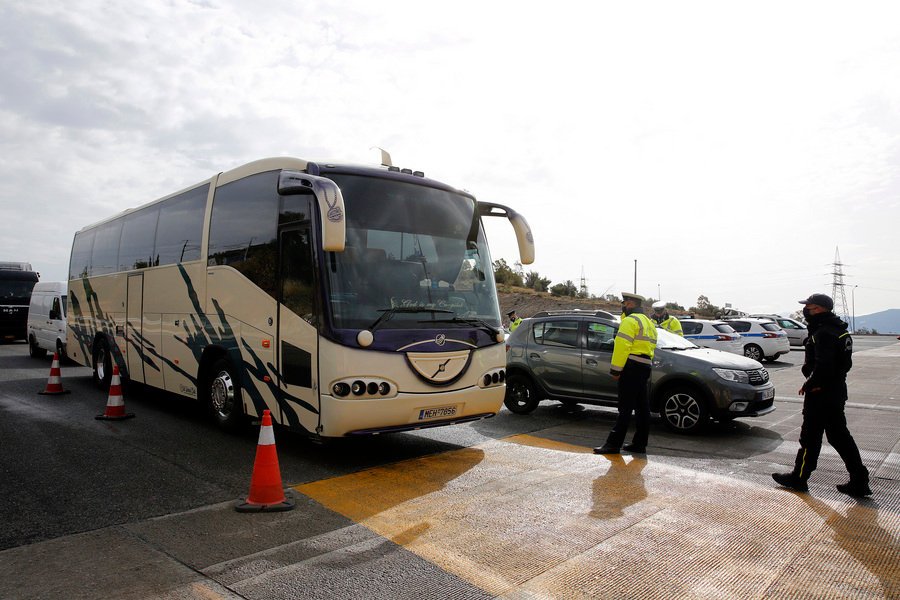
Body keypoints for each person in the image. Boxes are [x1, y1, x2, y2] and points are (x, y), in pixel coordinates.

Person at [772, 293, 871, 497]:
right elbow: (844, 365)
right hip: (836, 391)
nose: (805, 310)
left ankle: (799, 478)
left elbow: (824, 365)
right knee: (839, 437)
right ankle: (859, 480)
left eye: (809, 307)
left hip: (822, 394)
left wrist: (811, 384)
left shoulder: (823, 332)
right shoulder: (839, 331)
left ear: (819, 309)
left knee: (810, 437)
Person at [594, 292, 658, 455]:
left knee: (625, 407)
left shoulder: (630, 321)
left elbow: (622, 347)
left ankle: (613, 444)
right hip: (645, 366)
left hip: (631, 366)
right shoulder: (648, 322)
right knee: (642, 407)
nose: (622, 306)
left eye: (624, 303)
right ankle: (639, 443)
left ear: (630, 304)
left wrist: (616, 370)